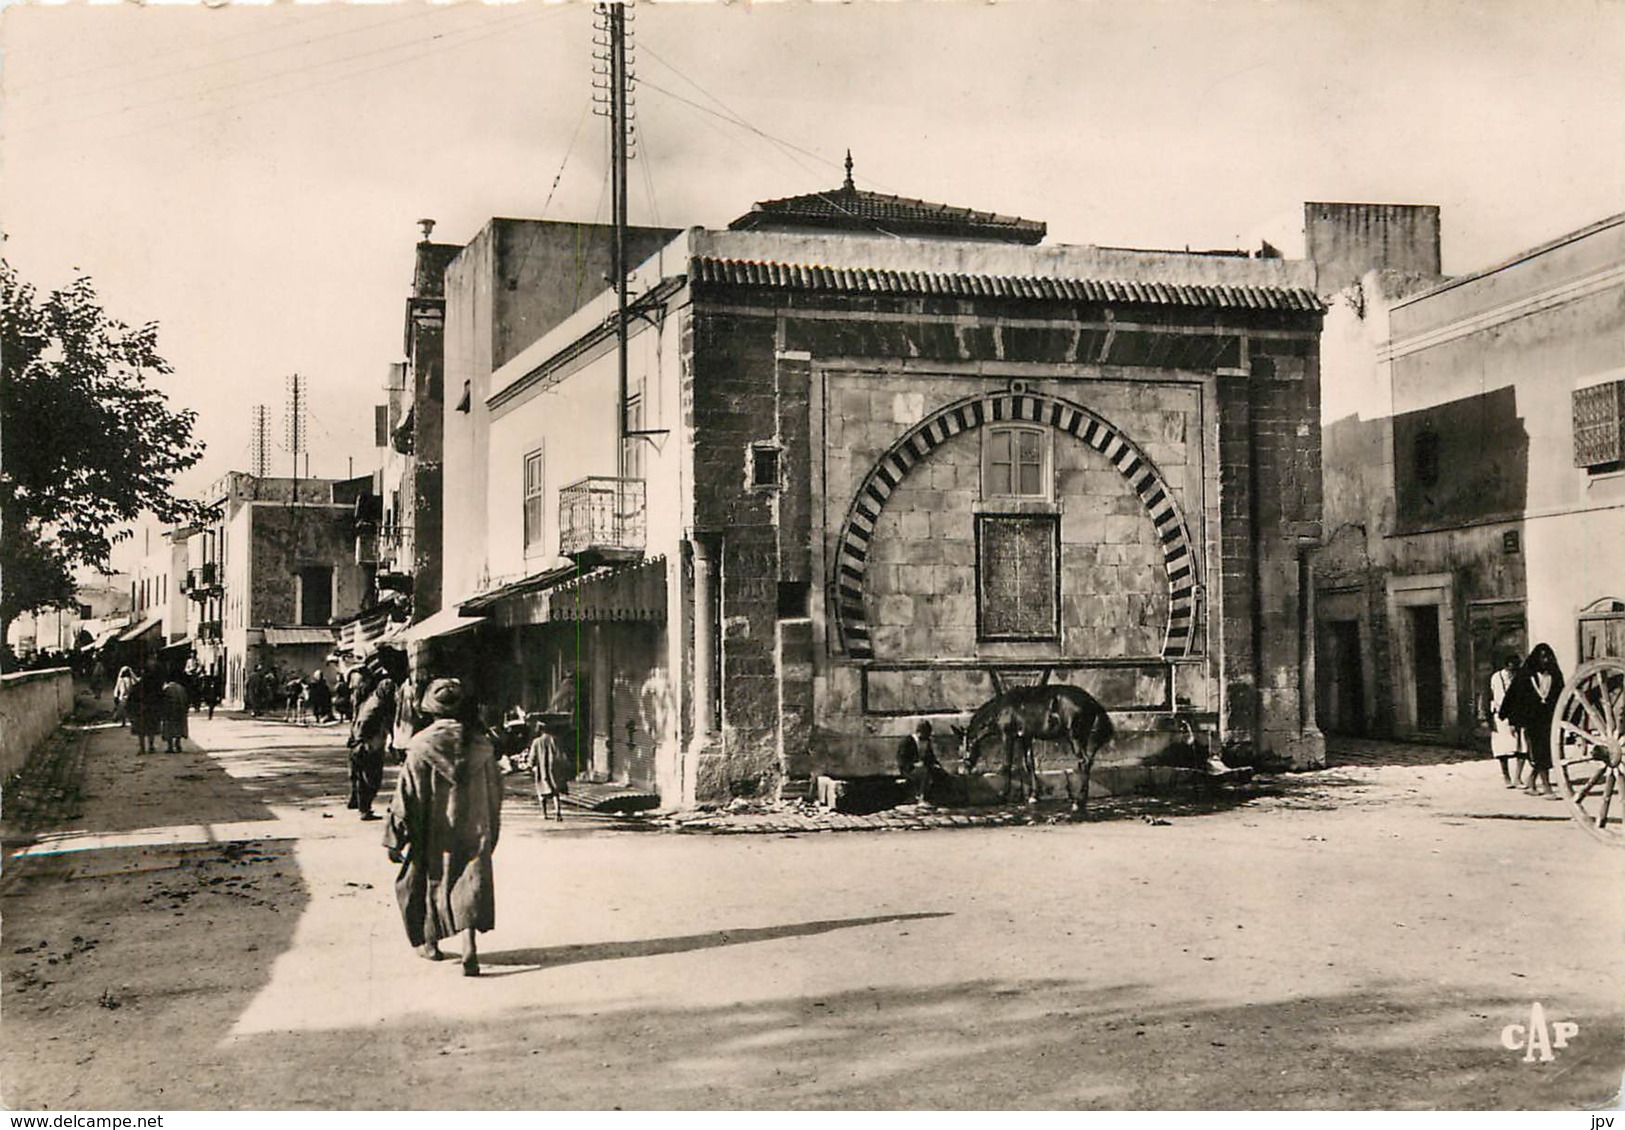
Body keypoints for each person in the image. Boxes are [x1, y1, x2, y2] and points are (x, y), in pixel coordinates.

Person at [383, 677, 502, 977]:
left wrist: (394, 836)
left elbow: (405, 796)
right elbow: (495, 791)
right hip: (474, 826)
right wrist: (490, 826)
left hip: (432, 828)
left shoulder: (420, 746)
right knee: (471, 883)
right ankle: (469, 946)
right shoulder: (482, 746)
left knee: (427, 879)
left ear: (430, 710)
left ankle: (431, 943)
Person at [1500, 642, 1564, 799]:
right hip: (1532, 720)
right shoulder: (1526, 675)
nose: (1546, 660)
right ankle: (1547, 787)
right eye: (1542, 657)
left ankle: (1531, 782)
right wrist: (1513, 722)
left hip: (1548, 718)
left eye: (1548, 656)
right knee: (1539, 751)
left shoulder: (1554, 675)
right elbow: (1514, 697)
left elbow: (1561, 696)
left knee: (1547, 751)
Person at [349, 666, 395, 821]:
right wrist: (362, 741)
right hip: (368, 744)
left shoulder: (369, 700)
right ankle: (364, 809)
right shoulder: (376, 704)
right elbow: (364, 722)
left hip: (362, 742)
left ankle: (361, 805)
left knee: (362, 777)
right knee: (371, 777)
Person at [1485, 652, 1525, 788]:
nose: (1513, 670)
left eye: (1516, 667)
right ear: (1506, 666)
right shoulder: (1495, 678)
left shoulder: (1521, 677)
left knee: (1522, 747)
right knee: (1502, 749)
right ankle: (1506, 776)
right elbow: (1487, 698)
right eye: (1511, 668)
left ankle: (1518, 778)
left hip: (1518, 716)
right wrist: (1488, 719)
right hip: (1500, 717)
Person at [526, 713, 571, 820]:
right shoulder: (555, 740)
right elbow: (561, 754)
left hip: (542, 768)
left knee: (542, 791)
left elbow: (532, 756)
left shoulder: (536, 742)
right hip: (554, 768)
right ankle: (558, 813)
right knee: (555, 791)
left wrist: (530, 765)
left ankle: (544, 813)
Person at [896, 719, 949, 805]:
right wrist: (913, 764)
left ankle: (938, 798)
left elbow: (930, 757)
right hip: (909, 769)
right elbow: (902, 759)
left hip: (923, 767)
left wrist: (938, 766)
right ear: (919, 732)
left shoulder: (926, 742)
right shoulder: (907, 741)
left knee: (938, 772)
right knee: (924, 772)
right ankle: (922, 797)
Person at [129, 660, 168, 755]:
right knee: (151, 728)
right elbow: (161, 697)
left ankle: (142, 748)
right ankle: (151, 746)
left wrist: (132, 711)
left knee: (141, 730)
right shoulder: (155, 685)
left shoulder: (138, 685)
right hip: (152, 708)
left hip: (141, 710)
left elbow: (132, 698)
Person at [161, 674, 190, 752]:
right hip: (180, 711)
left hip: (170, 712)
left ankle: (170, 747)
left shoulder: (167, 689)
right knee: (179, 728)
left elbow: (163, 701)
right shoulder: (181, 688)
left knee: (169, 728)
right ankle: (178, 745)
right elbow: (186, 700)